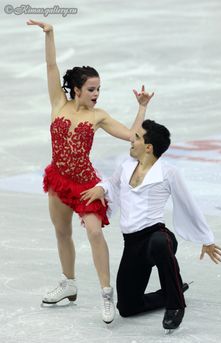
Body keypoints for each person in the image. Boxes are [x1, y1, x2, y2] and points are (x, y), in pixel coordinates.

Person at [26, 19, 154, 323]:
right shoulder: (58, 103)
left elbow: (132, 135)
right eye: (92, 89)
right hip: (59, 179)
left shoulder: (99, 116)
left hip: (85, 184)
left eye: (99, 89)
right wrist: (50, 33)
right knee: (62, 232)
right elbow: (50, 65)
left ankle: (106, 293)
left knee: (95, 232)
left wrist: (142, 108)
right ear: (76, 90)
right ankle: (69, 285)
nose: (97, 94)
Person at [80, 119, 221, 331]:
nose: (131, 139)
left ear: (148, 147)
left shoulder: (168, 172)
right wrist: (102, 188)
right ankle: (168, 293)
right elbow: (112, 183)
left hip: (157, 236)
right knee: (127, 307)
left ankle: (176, 305)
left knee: (159, 242)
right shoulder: (126, 167)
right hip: (132, 245)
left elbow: (188, 204)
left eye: (136, 137)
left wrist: (206, 239)